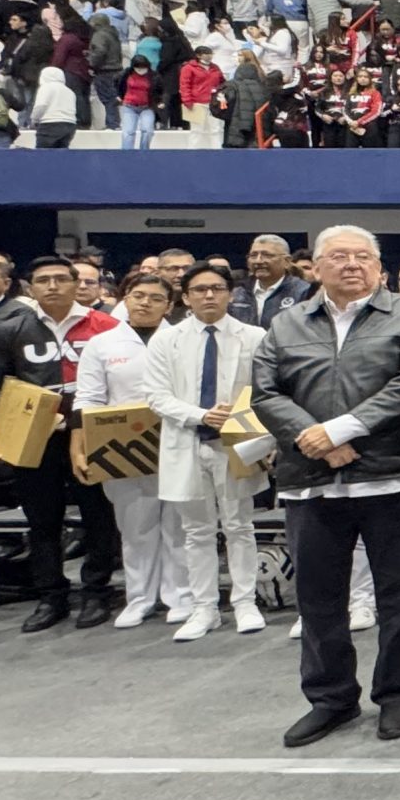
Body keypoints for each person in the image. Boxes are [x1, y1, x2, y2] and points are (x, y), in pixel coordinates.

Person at [251, 225, 400, 747]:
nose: (352, 264)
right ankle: (330, 698)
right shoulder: (286, 323)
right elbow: (265, 392)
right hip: (311, 480)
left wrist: (342, 430)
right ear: (315, 267)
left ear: (379, 268)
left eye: (363, 256)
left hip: (392, 475)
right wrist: (314, 438)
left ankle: (398, 694)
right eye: (338, 256)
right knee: (318, 600)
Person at [0, 252, 126, 631]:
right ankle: (50, 596)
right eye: (43, 280)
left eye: (60, 279)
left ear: (77, 284)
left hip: (91, 434)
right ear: (29, 287)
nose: (52, 286)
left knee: (99, 517)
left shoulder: (106, 326)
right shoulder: (8, 329)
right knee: (42, 520)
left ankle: (96, 591)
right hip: (34, 436)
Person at [144, 263, 269, 642]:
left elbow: (266, 390)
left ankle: (245, 602)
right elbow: (156, 395)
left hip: (236, 443)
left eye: (217, 288)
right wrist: (200, 415)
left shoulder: (254, 336)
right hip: (187, 440)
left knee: (239, 526)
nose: (209, 295)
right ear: (185, 297)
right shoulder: (167, 340)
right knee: (196, 531)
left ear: (230, 294)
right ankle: (204, 607)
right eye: (199, 290)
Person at [71, 273, 190, 630]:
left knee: (180, 525)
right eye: (138, 295)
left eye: (156, 298)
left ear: (169, 306)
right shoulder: (102, 344)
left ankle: (181, 596)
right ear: (125, 298)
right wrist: (81, 446)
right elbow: (88, 398)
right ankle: (139, 597)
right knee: (135, 526)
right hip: (122, 443)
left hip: (177, 438)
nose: (145, 303)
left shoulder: (184, 339)